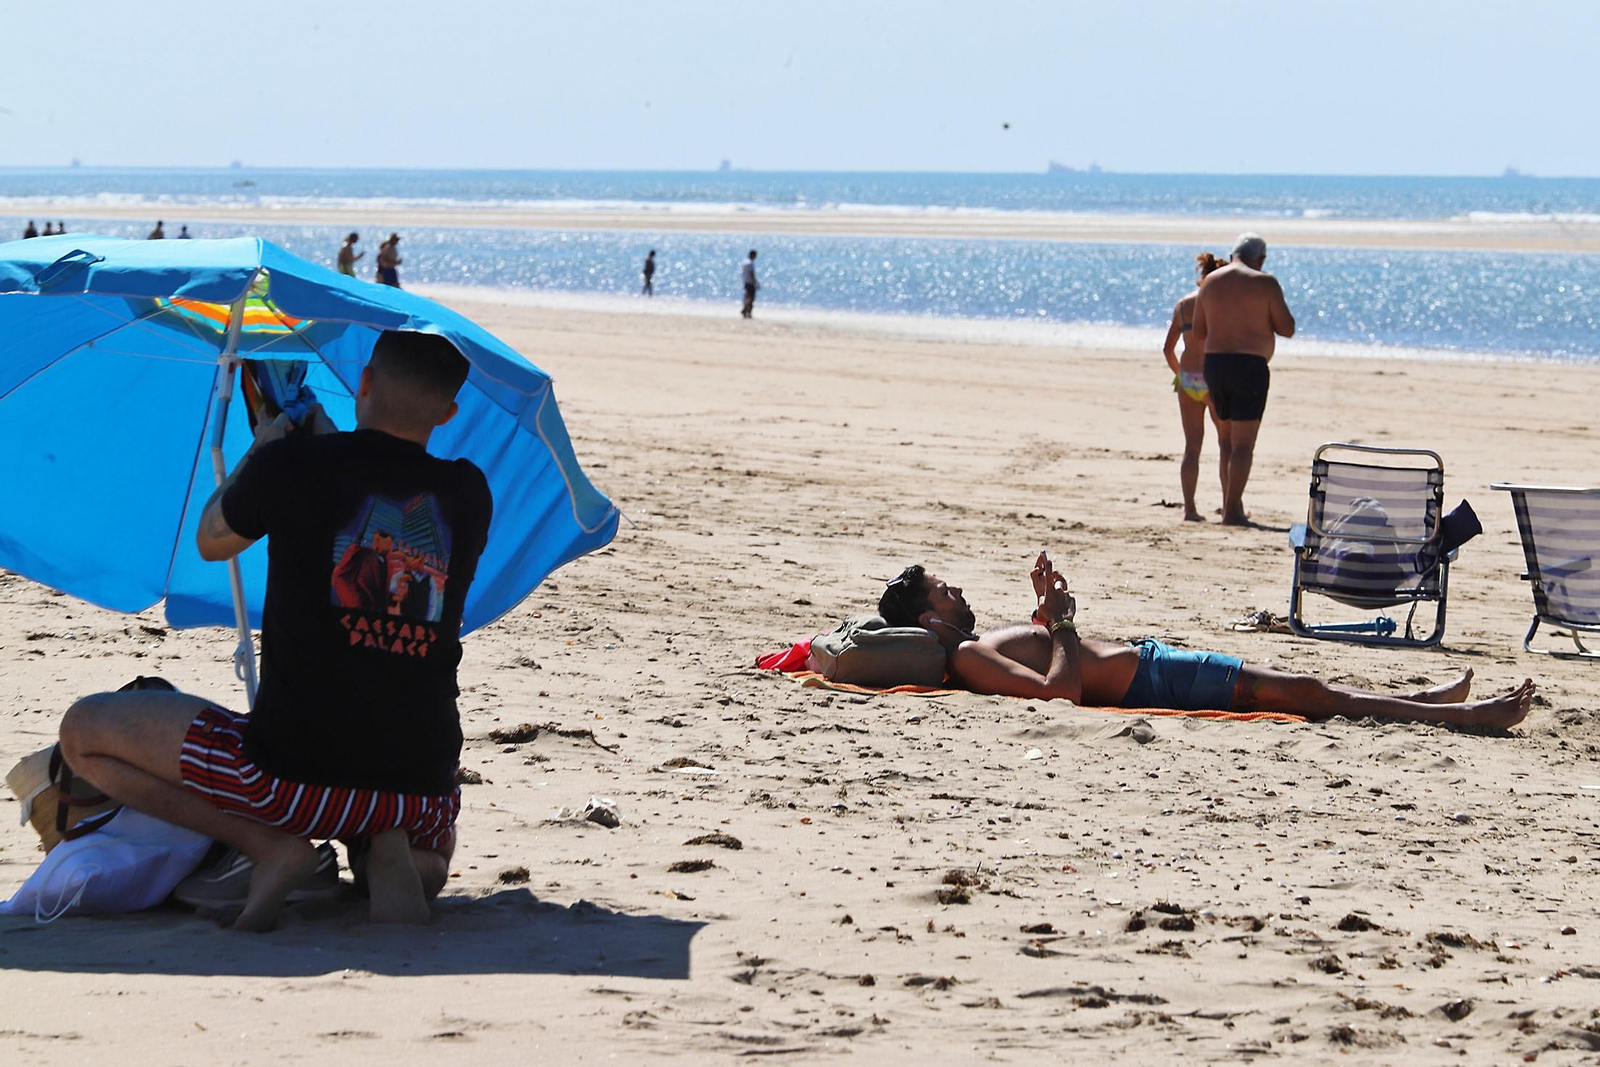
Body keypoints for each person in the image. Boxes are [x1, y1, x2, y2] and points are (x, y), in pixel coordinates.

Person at [57, 330, 494, 931]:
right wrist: (316, 443)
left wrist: (260, 451)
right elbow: (370, 484)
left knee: (84, 731)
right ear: (448, 413)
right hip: (420, 787)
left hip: (293, 775)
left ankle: (270, 848)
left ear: (363, 384)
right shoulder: (469, 493)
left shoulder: (291, 468)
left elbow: (214, 540)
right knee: (423, 848)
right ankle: (391, 851)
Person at [875, 555, 1534, 729]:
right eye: (942, 591)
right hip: (1158, 680)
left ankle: (1424, 698)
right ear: (928, 620)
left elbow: (1050, 668)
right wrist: (1063, 620)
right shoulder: (962, 654)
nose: (956, 591)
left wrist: (1046, 612)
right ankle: (1461, 715)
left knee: (1308, 689)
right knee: (1309, 692)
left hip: (1155, 666)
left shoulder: (972, 649)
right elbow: (1059, 692)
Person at [1190, 233, 1295, 526]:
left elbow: (1199, 331)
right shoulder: (1264, 282)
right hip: (1248, 366)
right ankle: (1233, 512)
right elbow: (1287, 327)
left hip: (1215, 365)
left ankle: (1229, 506)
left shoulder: (1211, 282)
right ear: (1259, 258)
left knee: (1226, 442)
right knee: (1243, 446)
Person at [1161, 252, 1228, 522]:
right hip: (1213, 377)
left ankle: (1189, 509)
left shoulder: (1182, 305)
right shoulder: (1220, 304)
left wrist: (1182, 374)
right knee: (1227, 445)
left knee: (1192, 447)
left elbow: (1168, 349)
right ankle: (1229, 505)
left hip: (1188, 378)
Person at [740, 249, 759, 318]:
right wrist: (755, 282)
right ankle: (748, 312)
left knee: (747, 297)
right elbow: (752, 274)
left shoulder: (745, 262)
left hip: (746, 282)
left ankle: (745, 310)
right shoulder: (750, 263)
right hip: (750, 283)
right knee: (751, 298)